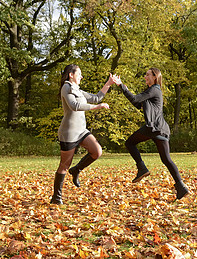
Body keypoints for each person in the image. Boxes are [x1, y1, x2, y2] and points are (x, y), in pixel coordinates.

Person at [112, 68, 189, 200]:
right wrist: (123, 88)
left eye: (148, 74)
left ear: (155, 77)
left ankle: (142, 168)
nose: (145, 77)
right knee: (166, 159)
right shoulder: (152, 92)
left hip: (154, 128)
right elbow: (136, 102)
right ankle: (181, 187)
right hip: (160, 129)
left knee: (130, 143)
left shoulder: (154, 89)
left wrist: (121, 85)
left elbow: (135, 98)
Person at [50, 64, 114, 205]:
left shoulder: (77, 89)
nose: (82, 76)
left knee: (97, 151)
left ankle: (77, 170)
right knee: (64, 165)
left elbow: (96, 98)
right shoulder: (66, 88)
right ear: (71, 75)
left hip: (82, 131)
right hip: (69, 133)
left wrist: (108, 84)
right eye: (79, 74)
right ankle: (56, 197)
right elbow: (74, 106)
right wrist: (97, 107)